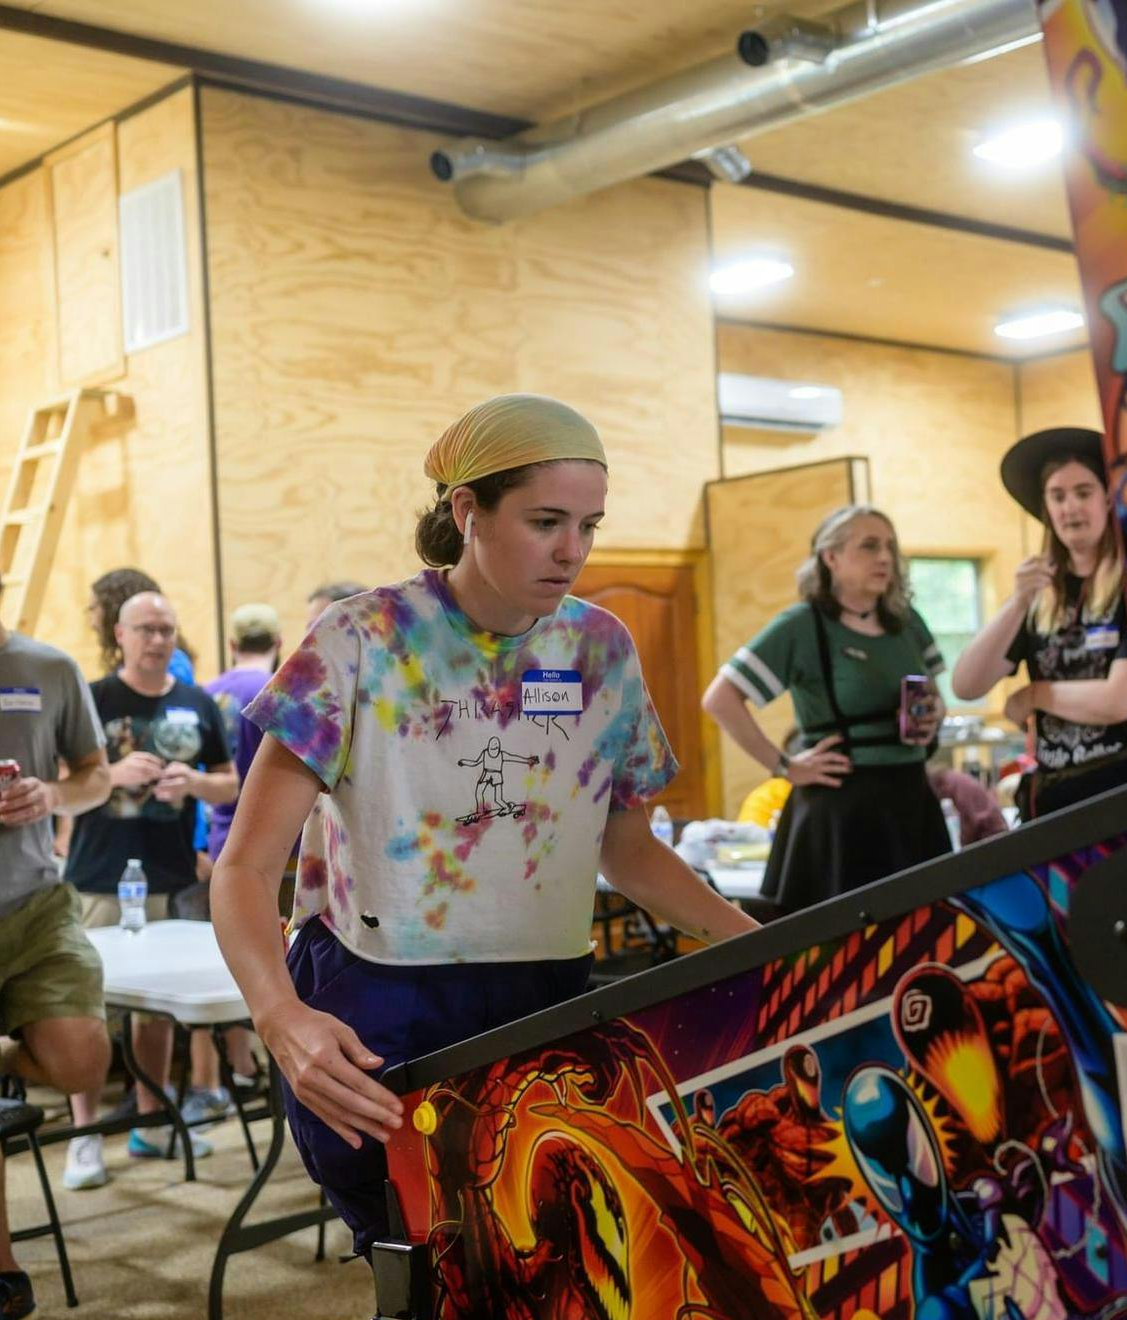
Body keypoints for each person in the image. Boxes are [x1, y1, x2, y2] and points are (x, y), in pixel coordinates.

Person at [210, 393, 758, 1254]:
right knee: (422, 1262)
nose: (571, 550)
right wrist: (279, 1016)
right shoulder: (363, 638)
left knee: (546, 1257)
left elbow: (628, 849)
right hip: (380, 990)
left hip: (543, 990)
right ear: (468, 510)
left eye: (589, 524)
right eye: (545, 521)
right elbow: (242, 869)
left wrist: (760, 943)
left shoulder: (599, 650)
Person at [0, 523, 114, 1320]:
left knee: (82, 1064)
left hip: (38, 907)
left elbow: (96, 775)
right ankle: (3, 1279)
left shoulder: (50, 668)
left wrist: (53, 796)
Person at [62, 590, 237, 1181]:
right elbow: (60, 782)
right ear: (121, 634)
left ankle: (150, 1122)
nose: (157, 639)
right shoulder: (92, 699)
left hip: (167, 872)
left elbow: (230, 783)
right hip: (96, 873)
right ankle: (84, 1136)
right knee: (82, 1004)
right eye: (145, 629)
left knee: (156, 1010)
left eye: (166, 628)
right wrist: (112, 774)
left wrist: (193, 781)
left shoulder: (196, 702)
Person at [703, 505, 952, 912]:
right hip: (841, 811)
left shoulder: (907, 623)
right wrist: (785, 765)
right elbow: (720, 699)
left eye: (890, 546)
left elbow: (936, 698)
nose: (885, 557)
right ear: (830, 558)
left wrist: (930, 719)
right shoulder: (802, 626)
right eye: (869, 546)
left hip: (911, 800)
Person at [951, 428, 1127, 820]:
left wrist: (1035, 695)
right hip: (1056, 801)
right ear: (1046, 508)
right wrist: (1018, 601)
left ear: (1107, 498)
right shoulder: (1039, 595)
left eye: (1083, 493)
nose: (1071, 507)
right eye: (1058, 496)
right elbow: (967, 685)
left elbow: (1120, 700)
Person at [174, 603, 282, 1126]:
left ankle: (231, 1070)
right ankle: (259, 1072)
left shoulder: (209, 691)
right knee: (278, 957)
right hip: (276, 850)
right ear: (278, 640)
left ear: (233, 642)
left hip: (221, 841)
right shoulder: (283, 687)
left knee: (229, 963)